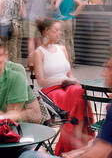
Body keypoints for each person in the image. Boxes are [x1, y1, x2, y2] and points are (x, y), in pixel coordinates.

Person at [20, 44, 112, 158]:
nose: (104, 73)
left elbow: (100, 153)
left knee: (28, 155)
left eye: (109, 68)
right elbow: (108, 144)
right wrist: (78, 151)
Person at [33, 18, 92, 154]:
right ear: (46, 32)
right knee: (77, 92)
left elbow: (69, 74)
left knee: (79, 90)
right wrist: (61, 81)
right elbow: (41, 81)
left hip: (68, 88)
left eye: (60, 30)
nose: (59, 33)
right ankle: (76, 141)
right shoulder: (39, 52)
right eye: (56, 30)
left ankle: (74, 139)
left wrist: (72, 80)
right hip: (51, 91)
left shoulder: (62, 49)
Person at [19, 0, 48, 68]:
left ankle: (31, 63)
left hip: (31, 15)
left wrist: (27, 0)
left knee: (31, 40)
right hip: (41, 15)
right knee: (39, 39)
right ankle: (40, 62)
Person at [52, 0, 84, 64]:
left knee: (60, 41)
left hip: (59, 21)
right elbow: (81, 4)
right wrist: (74, 14)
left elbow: (53, 9)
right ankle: (70, 61)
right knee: (69, 40)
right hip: (70, 20)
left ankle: (62, 61)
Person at [0, 0, 25, 64]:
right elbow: (23, 14)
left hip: (3, 26)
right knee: (14, 49)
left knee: (2, 48)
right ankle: (14, 69)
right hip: (16, 26)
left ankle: (2, 67)